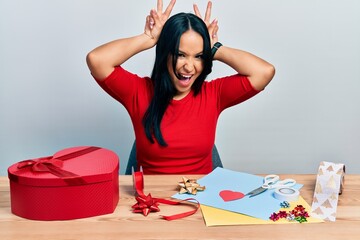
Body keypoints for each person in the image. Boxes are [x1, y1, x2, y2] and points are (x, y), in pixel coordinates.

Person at [86, 0, 275, 174]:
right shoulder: (139, 91)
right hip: (153, 202)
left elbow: (264, 72)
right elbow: (97, 60)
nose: (189, 67)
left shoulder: (213, 94)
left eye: (199, 56)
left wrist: (215, 47)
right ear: (165, 54)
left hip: (201, 201)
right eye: (181, 54)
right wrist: (147, 38)